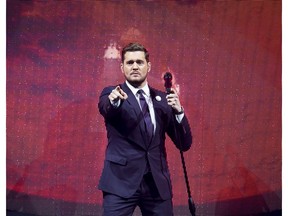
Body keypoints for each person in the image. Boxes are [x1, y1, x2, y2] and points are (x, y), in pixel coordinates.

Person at [98, 42, 192, 216]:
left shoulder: (163, 99)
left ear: (148, 66)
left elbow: (184, 144)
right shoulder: (112, 93)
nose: (135, 66)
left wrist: (179, 112)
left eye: (139, 62)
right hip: (121, 183)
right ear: (122, 67)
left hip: (157, 185)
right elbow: (107, 108)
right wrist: (114, 101)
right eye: (130, 62)